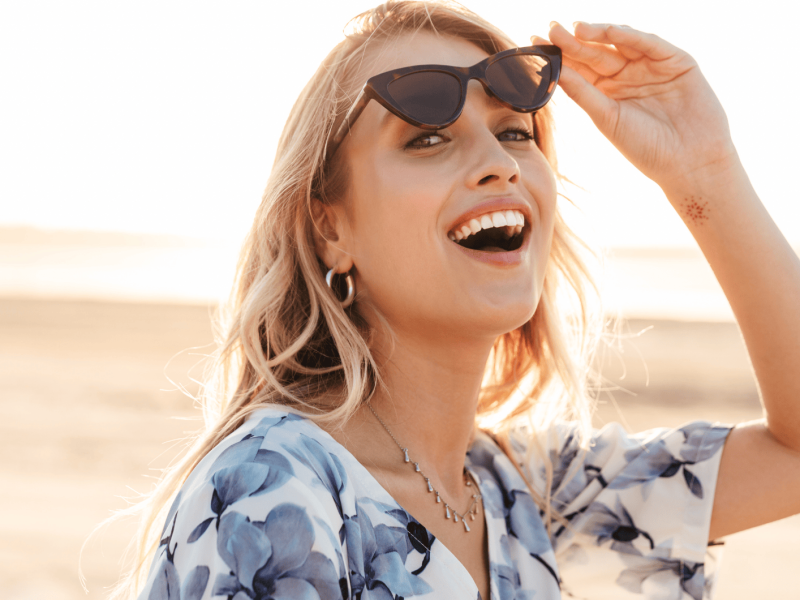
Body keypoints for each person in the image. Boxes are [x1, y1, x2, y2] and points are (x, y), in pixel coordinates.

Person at [117, 2, 800, 598]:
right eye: (427, 138)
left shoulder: (528, 493)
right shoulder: (273, 493)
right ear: (330, 227)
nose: (499, 161)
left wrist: (705, 170)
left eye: (515, 131)